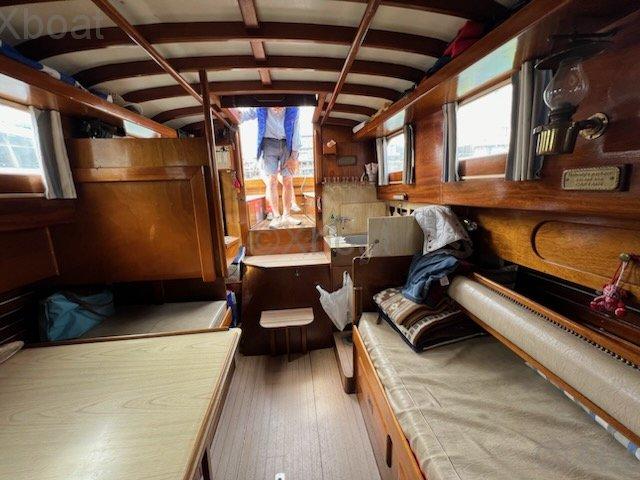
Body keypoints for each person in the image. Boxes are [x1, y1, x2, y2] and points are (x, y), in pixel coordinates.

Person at [236, 107, 303, 229]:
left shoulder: (293, 109)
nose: (278, 107)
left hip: (287, 144)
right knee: (272, 180)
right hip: (268, 143)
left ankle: (286, 216)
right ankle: (276, 216)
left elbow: (296, 131)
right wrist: (233, 113)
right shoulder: (261, 107)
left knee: (288, 180)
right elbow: (244, 115)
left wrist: (294, 157)